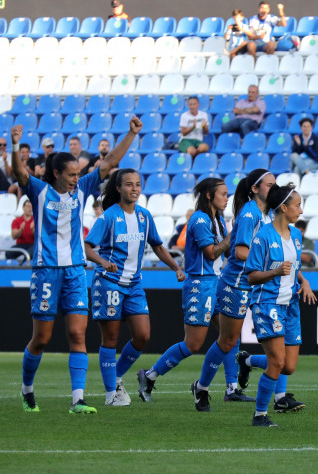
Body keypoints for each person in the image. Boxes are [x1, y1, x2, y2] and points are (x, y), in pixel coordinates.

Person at [9, 116, 142, 414]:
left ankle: (77, 400)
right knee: (41, 339)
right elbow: (18, 170)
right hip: (45, 271)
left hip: (75, 271)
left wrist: (131, 134)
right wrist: (15, 144)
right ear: (56, 173)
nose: (75, 178)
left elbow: (108, 163)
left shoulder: (82, 189)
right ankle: (27, 389)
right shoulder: (39, 191)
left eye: (77, 174)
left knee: (78, 334)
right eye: (70, 174)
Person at [84, 169, 184, 407]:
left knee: (143, 336)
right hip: (109, 283)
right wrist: (103, 262)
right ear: (118, 188)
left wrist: (176, 268)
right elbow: (87, 247)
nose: (135, 189)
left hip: (134, 284)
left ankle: (117, 377)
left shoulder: (144, 216)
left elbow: (158, 246)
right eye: (129, 184)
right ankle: (111, 394)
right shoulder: (109, 216)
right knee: (110, 339)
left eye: (138, 184)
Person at [136, 178, 230, 405]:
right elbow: (210, 253)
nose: (227, 199)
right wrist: (232, 237)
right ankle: (150, 375)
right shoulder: (199, 219)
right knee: (193, 344)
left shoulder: (219, 220)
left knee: (229, 336)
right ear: (209, 195)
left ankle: (223, 387)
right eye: (223, 194)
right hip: (200, 284)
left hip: (216, 282)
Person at [193, 169, 277, 407]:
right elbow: (239, 252)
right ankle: (202, 388)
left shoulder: (267, 213)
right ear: (255, 189)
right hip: (237, 283)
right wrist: (270, 264)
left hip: (256, 284)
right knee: (227, 341)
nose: (273, 188)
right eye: (269, 185)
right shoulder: (250, 214)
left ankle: (279, 396)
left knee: (275, 338)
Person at [244, 183, 316, 427]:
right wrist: (274, 272)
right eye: (297, 206)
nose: (301, 211)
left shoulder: (296, 235)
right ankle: (260, 414)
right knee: (276, 362)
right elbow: (251, 276)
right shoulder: (263, 236)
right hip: (267, 302)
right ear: (283, 208)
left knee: (288, 367)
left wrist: (304, 281)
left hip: (291, 304)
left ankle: (246, 361)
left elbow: (294, 269)